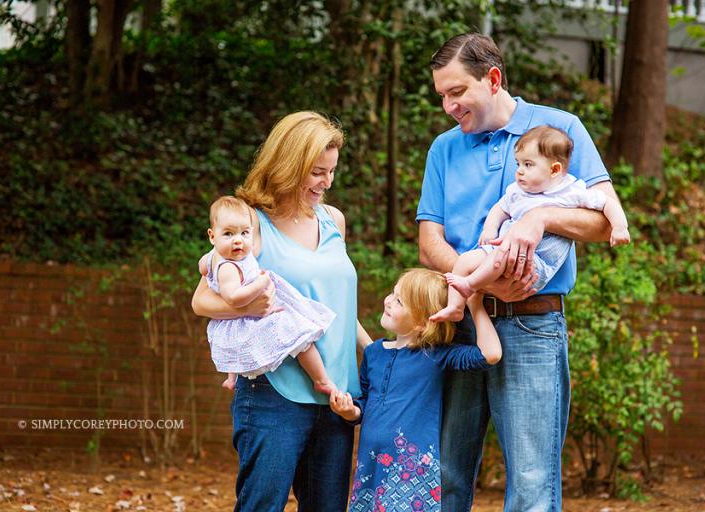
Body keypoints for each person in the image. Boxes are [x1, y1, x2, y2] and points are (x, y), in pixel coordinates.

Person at [417, 33, 625, 511]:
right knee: (444, 473)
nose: (448, 106)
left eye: (456, 93)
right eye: (441, 96)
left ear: (492, 79)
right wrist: (479, 279)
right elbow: (430, 242)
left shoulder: (559, 128)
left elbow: (602, 218)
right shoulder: (443, 150)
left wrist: (542, 217)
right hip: (459, 324)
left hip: (533, 323)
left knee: (532, 482)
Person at [191, 111, 372, 512]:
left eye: (331, 172)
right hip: (274, 394)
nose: (326, 182)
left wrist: (376, 350)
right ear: (289, 165)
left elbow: (336, 304)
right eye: (317, 172)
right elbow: (201, 300)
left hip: (335, 395)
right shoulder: (250, 223)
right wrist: (246, 303)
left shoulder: (333, 220)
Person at [329, 268, 501, 512]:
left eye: (399, 301)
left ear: (423, 322)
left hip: (412, 469)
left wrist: (475, 305)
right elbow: (365, 403)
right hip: (371, 463)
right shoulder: (373, 353)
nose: (388, 301)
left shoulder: (435, 356)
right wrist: (351, 411)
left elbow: (490, 354)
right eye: (393, 293)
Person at [430, 125, 630, 322]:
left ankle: (470, 284)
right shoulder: (518, 192)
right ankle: (455, 307)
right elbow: (500, 208)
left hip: (536, 263)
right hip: (501, 252)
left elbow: (607, 203)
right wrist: (490, 228)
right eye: (518, 164)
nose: (519, 171)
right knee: (465, 260)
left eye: (528, 165)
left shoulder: (570, 192)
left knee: (504, 253)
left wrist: (620, 227)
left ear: (554, 170)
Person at [198, 195, 338, 394]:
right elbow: (233, 298)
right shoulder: (228, 267)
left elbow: (203, 266)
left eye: (244, 233)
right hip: (252, 315)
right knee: (300, 337)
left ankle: (232, 378)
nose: (238, 240)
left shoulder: (217, 256)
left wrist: (209, 263)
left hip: (254, 312)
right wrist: (261, 282)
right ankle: (321, 379)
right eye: (228, 234)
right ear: (213, 236)